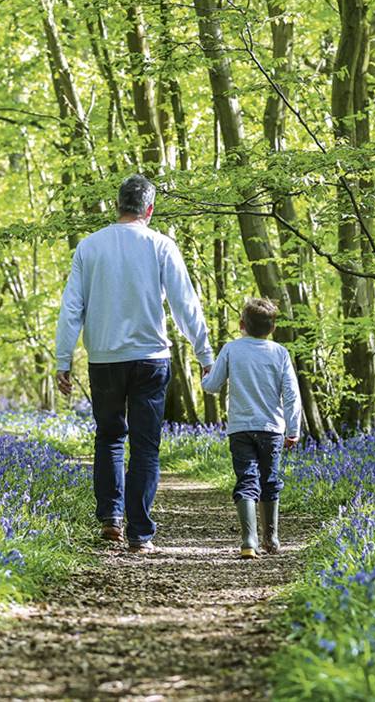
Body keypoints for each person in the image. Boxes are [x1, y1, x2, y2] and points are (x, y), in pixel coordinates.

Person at [55, 175, 214, 553]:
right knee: (145, 446)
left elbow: (71, 308)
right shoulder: (161, 245)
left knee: (109, 437)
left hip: (105, 359)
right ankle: (140, 533)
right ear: (149, 209)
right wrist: (205, 354)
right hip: (151, 359)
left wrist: (63, 360)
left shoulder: (89, 247)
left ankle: (111, 520)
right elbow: (184, 304)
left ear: (117, 205)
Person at [201, 298, 301, 558]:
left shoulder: (231, 349)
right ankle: (272, 539)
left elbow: (212, 386)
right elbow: (291, 394)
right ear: (273, 327)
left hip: (241, 428)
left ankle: (249, 541)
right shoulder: (280, 353)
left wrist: (205, 373)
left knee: (246, 479)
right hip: (272, 429)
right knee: (270, 480)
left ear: (242, 324)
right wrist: (293, 429)